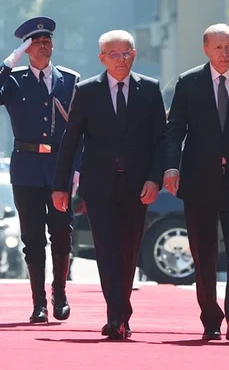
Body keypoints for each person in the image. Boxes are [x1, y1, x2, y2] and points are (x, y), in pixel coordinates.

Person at [51, 30, 166, 340]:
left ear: (135, 54)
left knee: (129, 250)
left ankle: (120, 311)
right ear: (102, 58)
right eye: (113, 54)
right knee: (107, 249)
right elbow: (71, 140)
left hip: (137, 185)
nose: (121, 59)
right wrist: (61, 186)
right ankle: (116, 316)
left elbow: (161, 141)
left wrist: (155, 179)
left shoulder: (149, 89)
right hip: (99, 185)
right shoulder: (87, 91)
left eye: (126, 53)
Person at [163, 23, 229, 342]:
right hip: (200, 181)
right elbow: (175, 130)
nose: (224, 53)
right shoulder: (189, 83)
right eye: (218, 47)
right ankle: (211, 316)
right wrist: (171, 168)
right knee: (205, 254)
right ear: (206, 49)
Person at [0, 17, 80, 323]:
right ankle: (39, 304)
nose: (44, 47)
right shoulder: (15, 80)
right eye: (37, 43)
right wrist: (9, 62)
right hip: (27, 168)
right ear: (26, 48)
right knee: (32, 238)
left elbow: (80, 130)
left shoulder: (70, 80)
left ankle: (59, 293)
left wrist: (77, 168)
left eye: (47, 42)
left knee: (61, 232)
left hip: (59, 167)